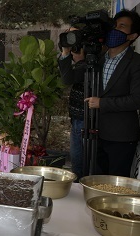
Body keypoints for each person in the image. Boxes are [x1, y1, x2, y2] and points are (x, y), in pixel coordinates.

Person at [60, 9, 140, 177]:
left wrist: (102, 103)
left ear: (132, 35)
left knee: (116, 187)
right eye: (115, 25)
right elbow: (68, 79)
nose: (115, 29)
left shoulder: (137, 62)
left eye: (122, 26)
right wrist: (65, 53)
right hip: (96, 134)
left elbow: (137, 100)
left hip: (121, 137)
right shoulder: (98, 59)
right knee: (95, 182)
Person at [58, 27, 87, 181]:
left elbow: (68, 79)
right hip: (76, 118)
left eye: (75, 34)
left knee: (83, 166)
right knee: (76, 164)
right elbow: (66, 79)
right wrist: (65, 53)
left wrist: (81, 61)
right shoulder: (79, 58)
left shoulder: (95, 59)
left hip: (88, 118)